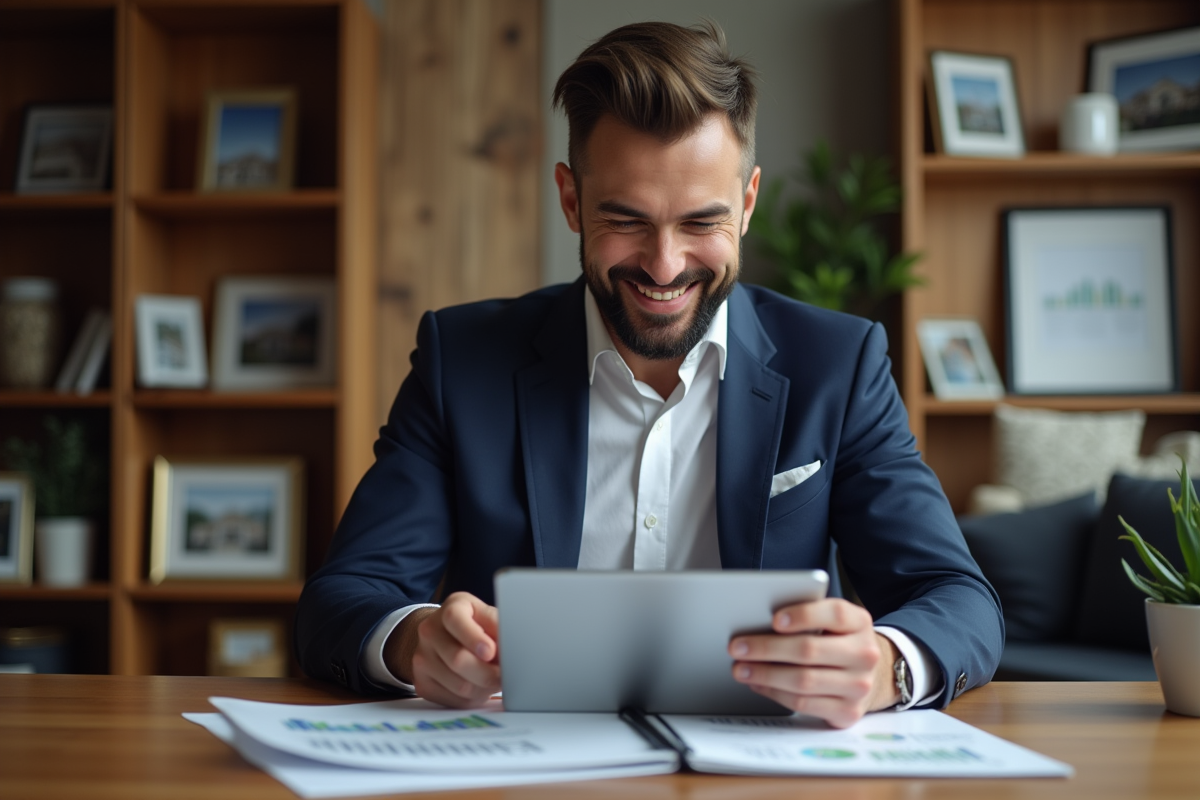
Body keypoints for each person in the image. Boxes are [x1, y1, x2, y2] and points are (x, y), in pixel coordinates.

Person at [296, 20, 1002, 729]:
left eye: (702, 223)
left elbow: (956, 597)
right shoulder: (463, 359)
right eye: (626, 220)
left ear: (748, 203)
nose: (665, 266)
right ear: (571, 200)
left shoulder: (838, 365)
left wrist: (887, 663)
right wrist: (413, 642)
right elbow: (344, 598)